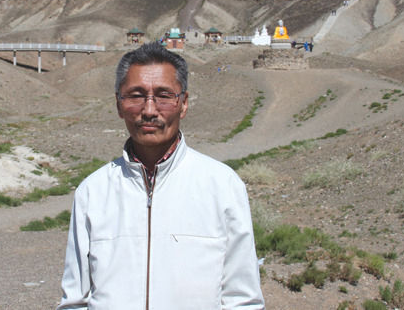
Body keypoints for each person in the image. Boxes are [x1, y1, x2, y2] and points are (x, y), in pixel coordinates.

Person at [57, 42, 264, 310]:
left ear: (183, 104)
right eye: (136, 96)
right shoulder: (93, 192)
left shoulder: (222, 185)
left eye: (164, 96)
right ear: (119, 105)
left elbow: (243, 300)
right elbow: (75, 301)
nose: (149, 110)